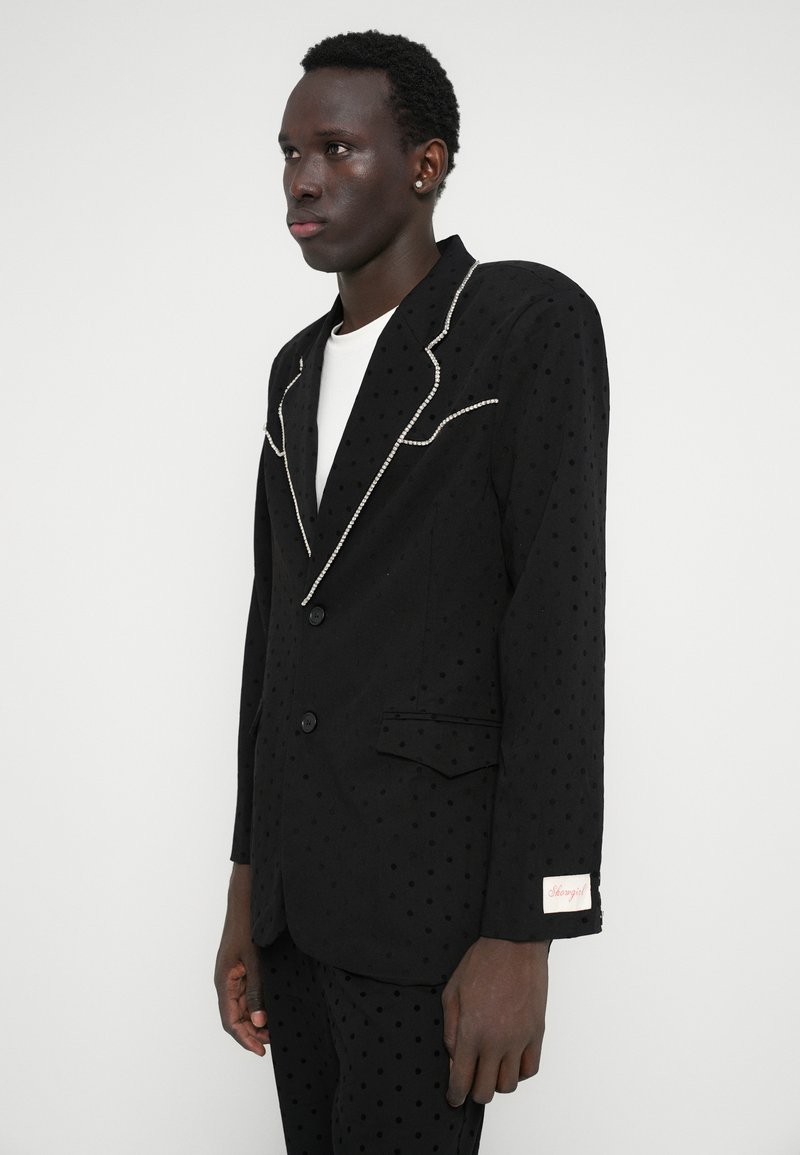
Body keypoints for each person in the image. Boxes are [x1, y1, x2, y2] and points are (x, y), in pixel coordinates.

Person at [214, 29, 610, 1155]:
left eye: (337, 148)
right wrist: (247, 890)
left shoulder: (521, 324)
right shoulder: (294, 370)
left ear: (425, 164)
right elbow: (275, 633)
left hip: (432, 910)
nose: (302, 179)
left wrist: (527, 931)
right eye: (289, 152)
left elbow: (557, 629)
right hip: (297, 907)